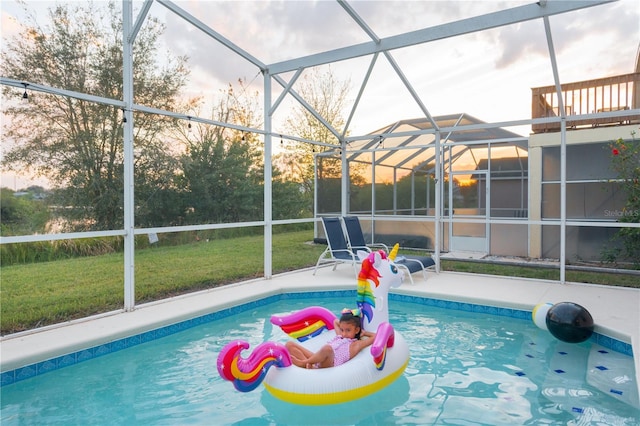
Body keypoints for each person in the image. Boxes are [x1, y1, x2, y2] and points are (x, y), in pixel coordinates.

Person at [285, 308, 376, 369]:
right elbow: (335, 322)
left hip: (329, 363)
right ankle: (309, 366)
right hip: (318, 358)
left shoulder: (356, 344)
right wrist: (346, 318)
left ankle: (304, 362)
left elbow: (376, 336)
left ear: (356, 330)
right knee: (289, 344)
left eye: (348, 330)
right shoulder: (341, 336)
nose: (344, 333)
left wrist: (364, 333)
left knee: (327, 348)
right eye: (342, 329)